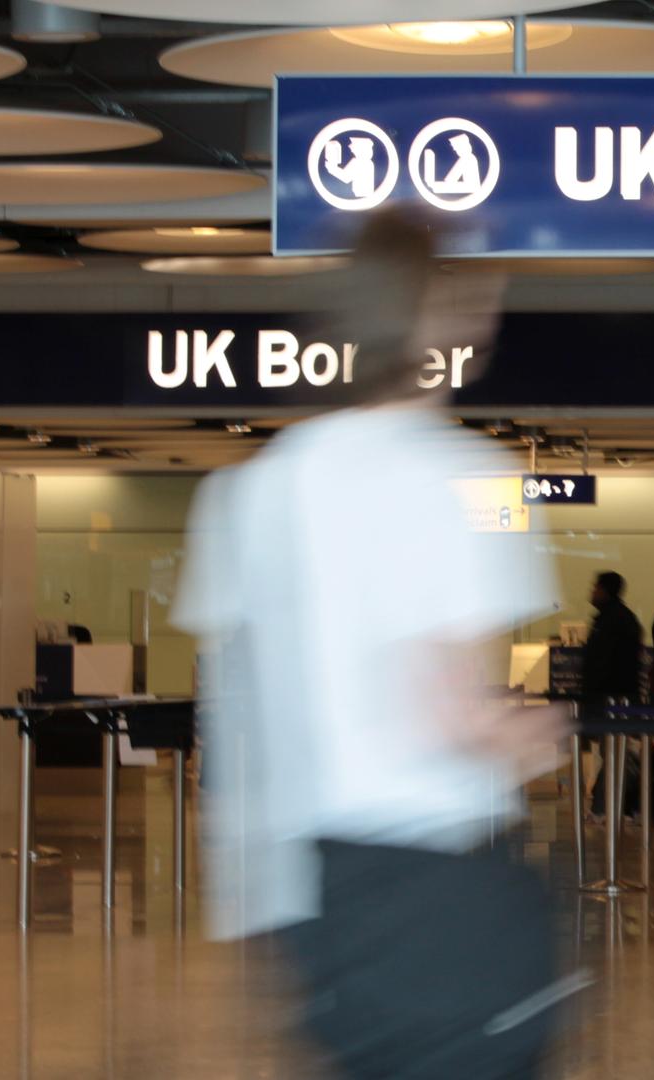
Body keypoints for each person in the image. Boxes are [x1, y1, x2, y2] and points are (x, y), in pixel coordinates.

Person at [173, 208, 573, 1077]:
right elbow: (454, 710)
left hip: (314, 900)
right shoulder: (468, 477)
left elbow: (233, 712)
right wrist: (541, 731)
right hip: (439, 890)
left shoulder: (254, 487)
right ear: (441, 313)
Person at [581, 571, 642, 702]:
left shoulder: (609, 620)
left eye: (595, 588)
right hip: (618, 694)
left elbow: (602, 661)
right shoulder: (624, 617)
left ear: (604, 591)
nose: (592, 592)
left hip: (607, 696)